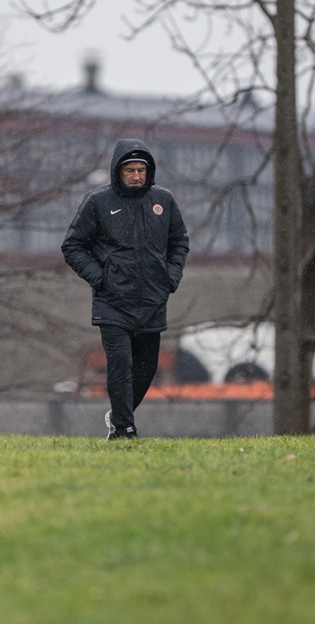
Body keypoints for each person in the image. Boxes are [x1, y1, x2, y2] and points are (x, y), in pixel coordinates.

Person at [62, 138, 189, 440]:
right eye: (129, 170)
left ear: (148, 171)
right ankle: (124, 429)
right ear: (117, 172)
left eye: (140, 170)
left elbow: (179, 242)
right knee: (120, 364)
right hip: (113, 303)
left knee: (145, 370)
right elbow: (73, 246)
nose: (135, 176)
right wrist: (100, 278)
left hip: (152, 301)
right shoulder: (98, 202)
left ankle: (119, 414)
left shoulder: (165, 201)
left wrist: (170, 278)